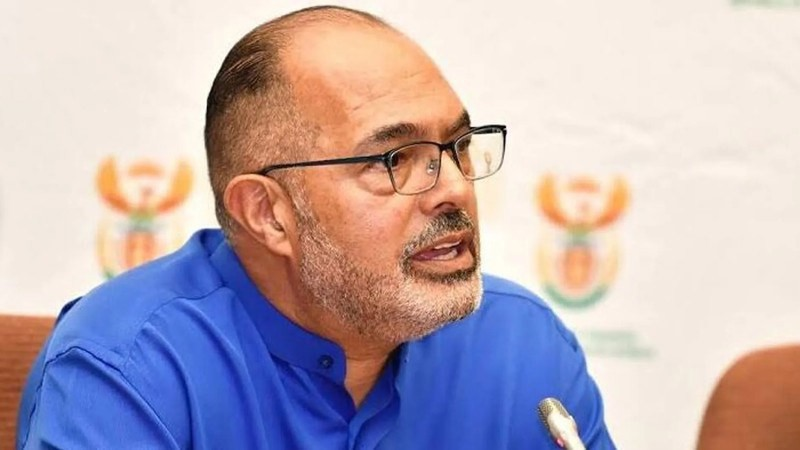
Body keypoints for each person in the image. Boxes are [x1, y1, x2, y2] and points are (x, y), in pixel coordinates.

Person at [17, 6, 616, 449]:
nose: (455, 187)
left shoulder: (522, 348)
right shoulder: (126, 373)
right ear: (268, 213)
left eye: (458, 145)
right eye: (394, 160)